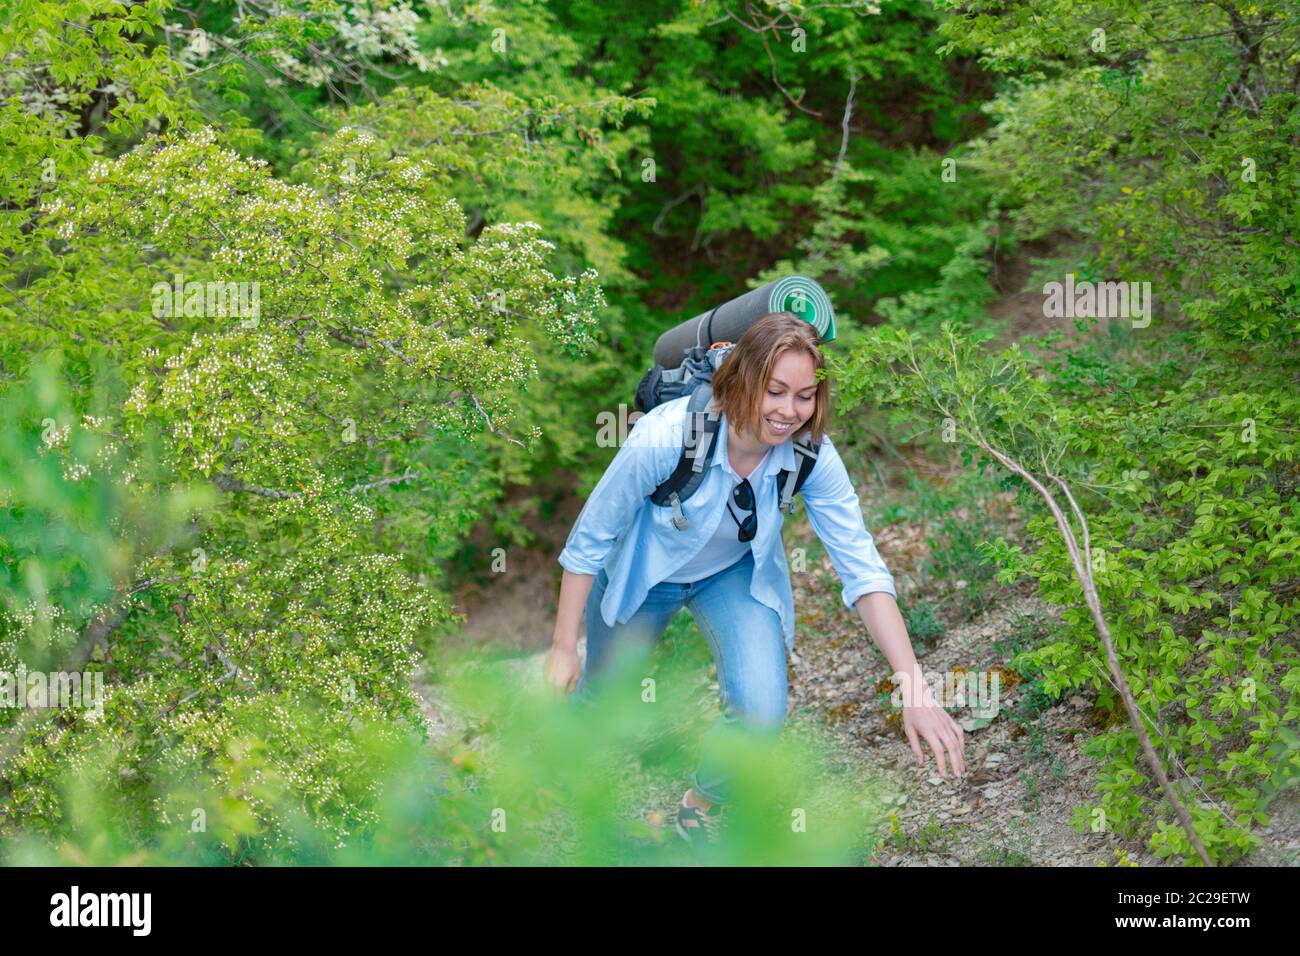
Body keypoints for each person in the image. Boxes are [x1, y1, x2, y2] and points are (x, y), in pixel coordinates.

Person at [543, 311, 965, 846]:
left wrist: (914, 687)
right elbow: (589, 541)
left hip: (731, 574)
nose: (790, 411)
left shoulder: (812, 456)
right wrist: (562, 647)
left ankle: (697, 809)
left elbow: (862, 567)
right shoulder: (666, 435)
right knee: (602, 693)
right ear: (742, 381)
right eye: (776, 391)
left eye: (806, 395)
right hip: (644, 573)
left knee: (762, 712)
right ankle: (544, 765)